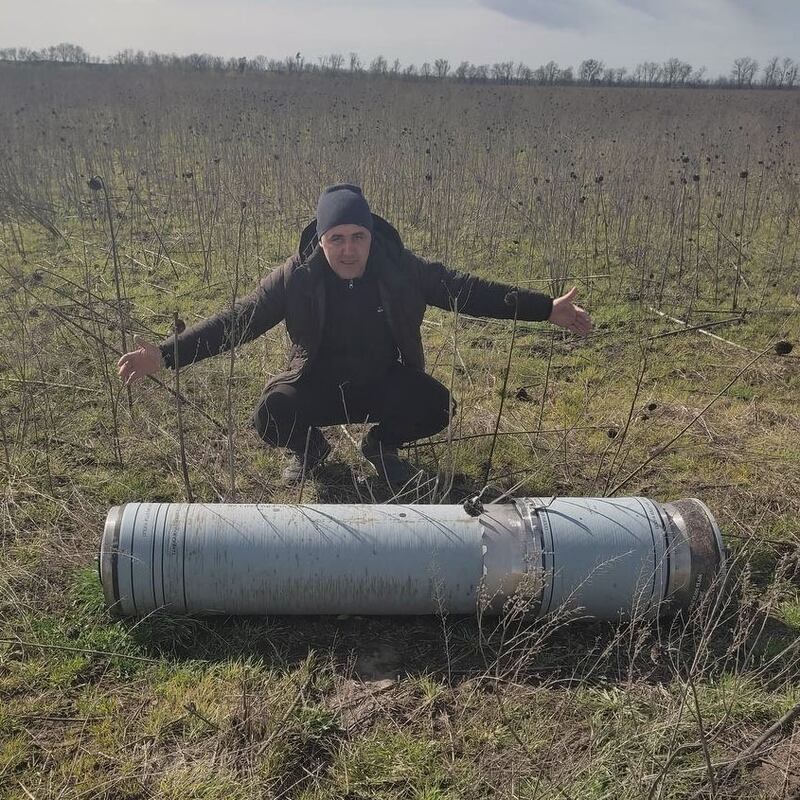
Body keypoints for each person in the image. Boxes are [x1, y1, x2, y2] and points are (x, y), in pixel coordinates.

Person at [118, 184, 592, 488]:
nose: (348, 249)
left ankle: (381, 447)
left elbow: (468, 291)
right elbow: (238, 322)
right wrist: (166, 355)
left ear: (371, 236)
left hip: (383, 381)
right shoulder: (295, 278)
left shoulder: (402, 271)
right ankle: (310, 450)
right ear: (321, 240)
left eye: (358, 237)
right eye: (337, 238)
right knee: (271, 415)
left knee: (436, 405)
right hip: (318, 385)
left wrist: (544, 309)